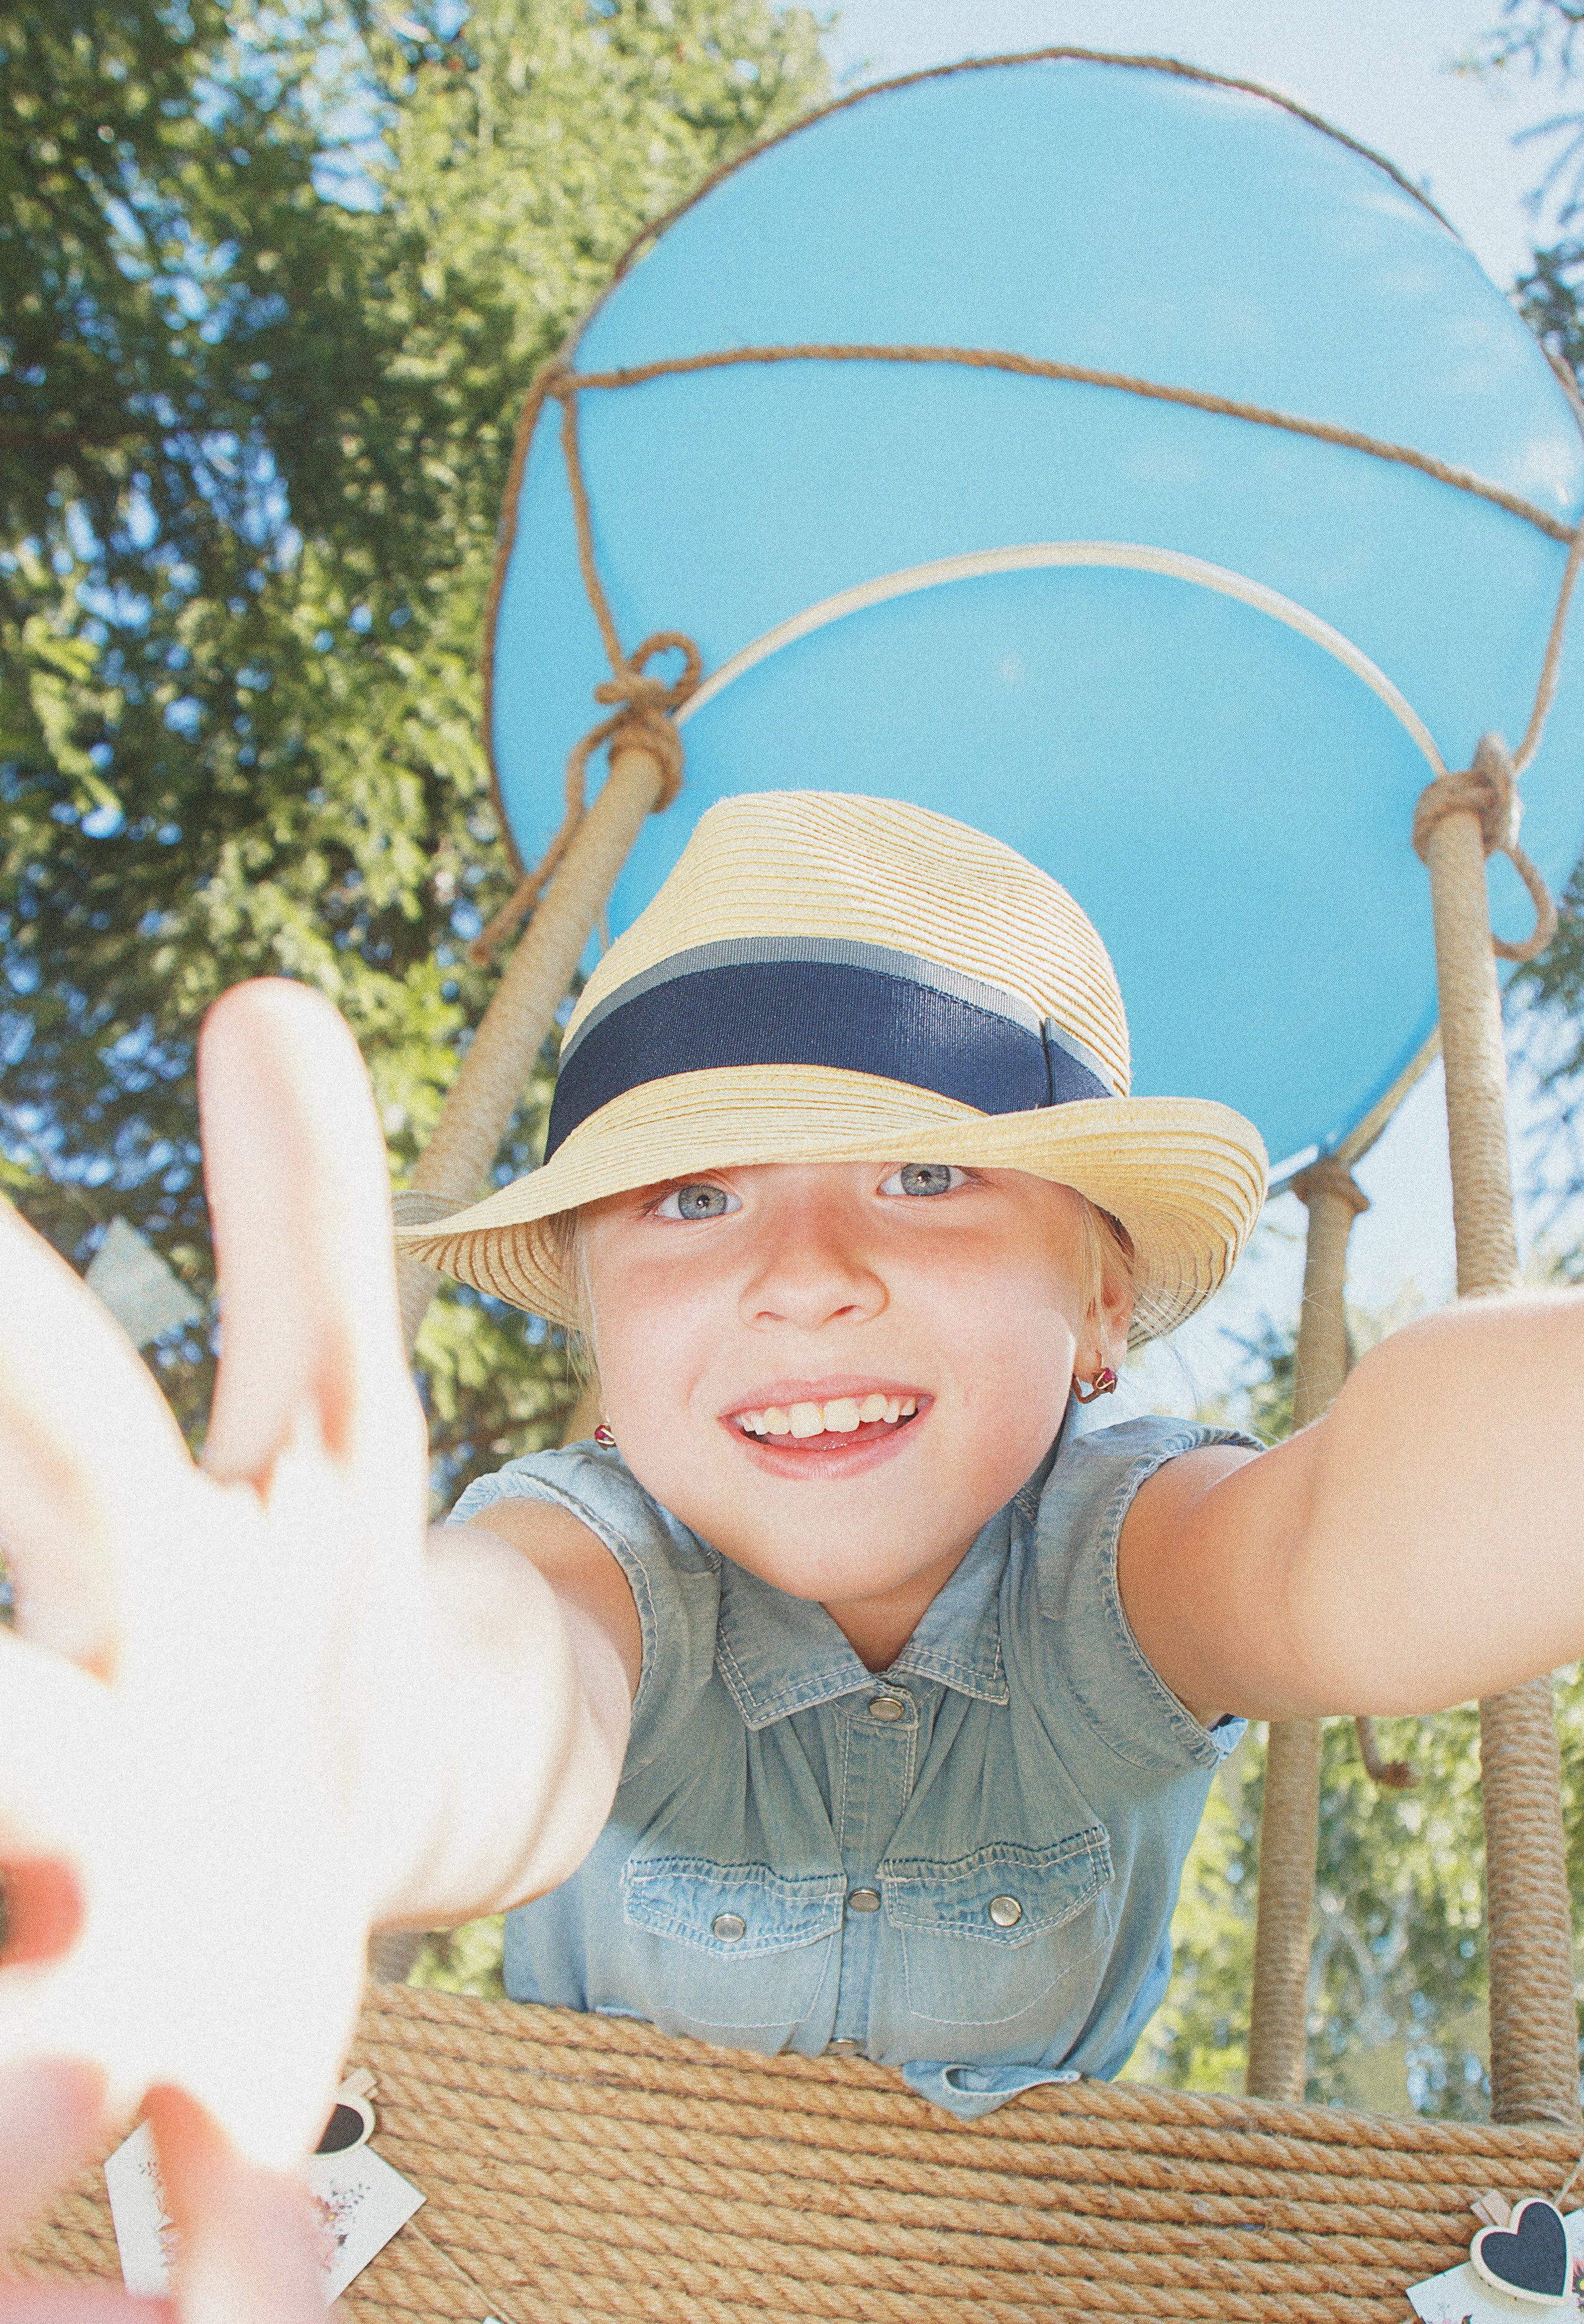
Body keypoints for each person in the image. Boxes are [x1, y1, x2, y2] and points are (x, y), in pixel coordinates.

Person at [3, 788, 1583, 2323]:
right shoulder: (596, 1552)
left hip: (1019, 2268)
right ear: (603, 1342)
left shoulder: (1131, 1553)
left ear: (1101, 1304)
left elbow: (1338, 1538)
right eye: (693, 1197)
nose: (805, 1275)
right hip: (583, 2253)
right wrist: (328, 1743)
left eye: (924, 1175)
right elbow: (513, 1684)